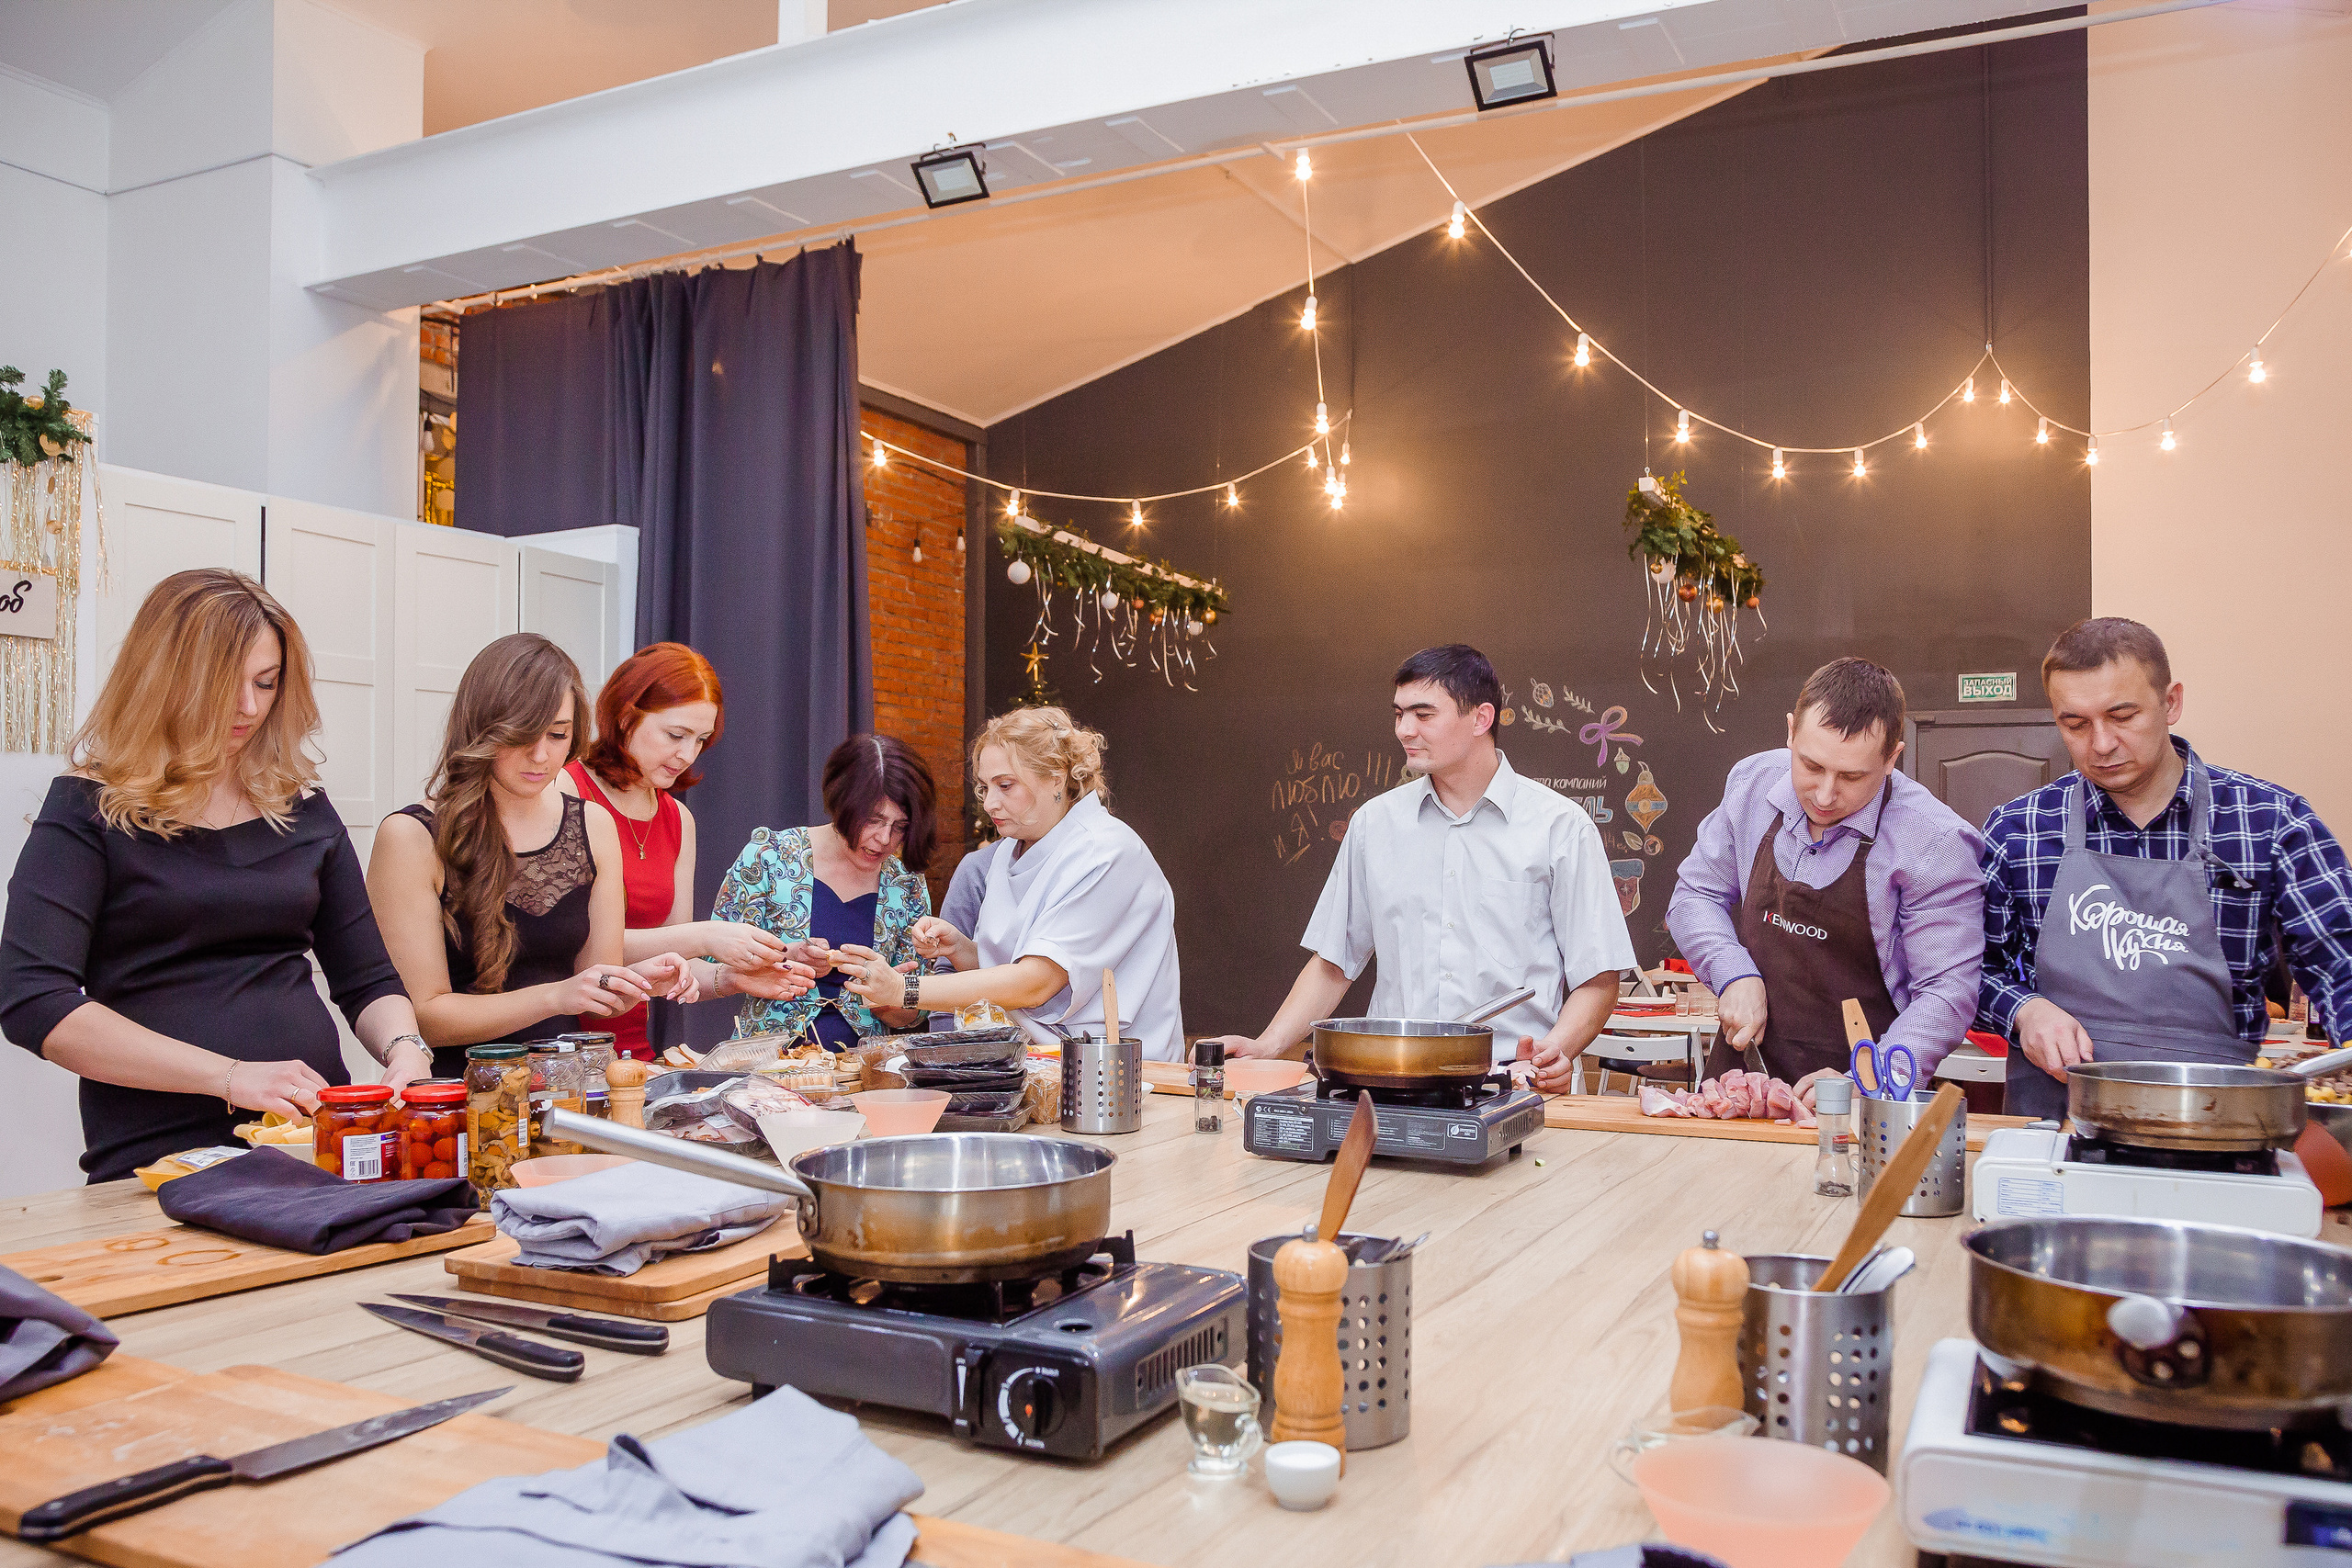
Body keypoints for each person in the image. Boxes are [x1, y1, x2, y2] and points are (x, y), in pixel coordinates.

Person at [0, 570, 429, 1182]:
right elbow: (35, 1003)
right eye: (227, 685)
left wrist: (404, 1046)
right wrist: (232, 1075)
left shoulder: (302, 809)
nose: (249, 708)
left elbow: (367, 979)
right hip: (158, 1159)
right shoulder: (88, 808)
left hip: (312, 1146)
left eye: (267, 683)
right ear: (164, 680)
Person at [1980, 617, 2352, 1116]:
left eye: (2122, 715)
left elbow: (2342, 967)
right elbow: (1968, 969)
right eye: (2076, 724)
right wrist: (2025, 1010)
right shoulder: (2019, 830)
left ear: (2171, 702)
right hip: (2054, 1128)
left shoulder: (2270, 824)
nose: (2102, 743)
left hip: (2220, 1126)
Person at [1216, 645, 1633, 1088]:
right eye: (1398, 714)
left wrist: (1553, 1054)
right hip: (1387, 1081)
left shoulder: (1561, 827)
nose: (1404, 730)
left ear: (1481, 718)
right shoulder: (1374, 824)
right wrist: (1267, 1045)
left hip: (1514, 1083)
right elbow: (1334, 963)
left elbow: (1598, 978)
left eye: (1423, 714)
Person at [368, 634, 698, 1077]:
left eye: (558, 735)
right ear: (480, 729)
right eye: (521, 735)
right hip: (461, 1097)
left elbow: (596, 996)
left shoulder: (592, 826)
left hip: (568, 1090)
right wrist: (558, 995)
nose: (541, 755)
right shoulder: (412, 837)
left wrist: (637, 982)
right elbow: (425, 1018)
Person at [1666, 657, 1985, 1103]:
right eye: (1811, 766)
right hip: (1739, 1084)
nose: (1825, 794)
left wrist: (1873, 1080)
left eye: (1852, 776)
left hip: (1860, 1099)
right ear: (1791, 731)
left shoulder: (1934, 841)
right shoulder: (1753, 784)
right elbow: (1694, 896)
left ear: (1893, 757)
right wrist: (1734, 974)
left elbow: (1947, 991)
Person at [834, 707, 1186, 1061]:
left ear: (1056, 778)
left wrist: (902, 988)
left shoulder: (1106, 851)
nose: (989, 803)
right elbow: (1007, 976)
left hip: (1121, 1074)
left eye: (1006, 786)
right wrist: (962, 950)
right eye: (985, 788)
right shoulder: (1009, 851)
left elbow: (1036, 984)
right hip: (1044, 1063)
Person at [560, 642, 806, 1058]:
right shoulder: (567, 791)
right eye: (676, 735)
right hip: (557, 1045)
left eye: (701, 739)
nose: (687, 755)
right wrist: (705, 935)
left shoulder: (677, 819)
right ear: (625, 717)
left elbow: (676, 962)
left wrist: (737, 975)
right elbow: (570, 947)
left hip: (628, 1051)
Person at [708, 734, 937, 1051]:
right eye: (873, 820)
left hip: (868, 1075)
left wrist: (889, 994)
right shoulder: (769, 856)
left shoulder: (906, 883)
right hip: (767, 1072)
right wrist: (787, 956)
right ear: (840, 802)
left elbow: (914, 1010)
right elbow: (710, 962)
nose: (885, 839)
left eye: (900, 826)